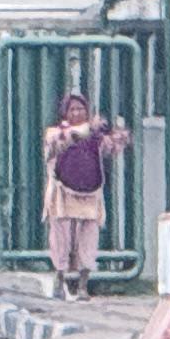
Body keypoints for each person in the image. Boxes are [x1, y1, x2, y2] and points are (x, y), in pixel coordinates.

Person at [39, 89, 122, 297]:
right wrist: (84, 130)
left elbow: (113, 146)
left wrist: (118, 136)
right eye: (72, 109)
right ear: (65, 113)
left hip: (91, 192)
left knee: (88, 238)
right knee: (61, 237)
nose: (76, 113)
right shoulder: (55, 133)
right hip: (62, 191)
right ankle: (60, 278)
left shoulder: (96, 136)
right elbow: (59, 142)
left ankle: (83, 285)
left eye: (81, 109)